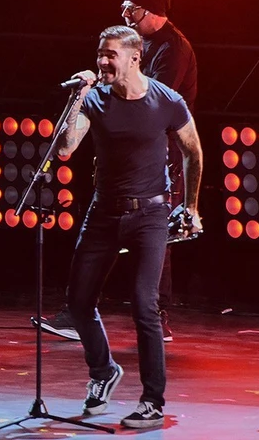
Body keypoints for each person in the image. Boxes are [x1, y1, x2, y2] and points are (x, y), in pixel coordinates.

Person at [58, 25, 202, 428]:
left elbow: (193, 151)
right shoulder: (94, 99)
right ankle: (103, 371)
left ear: (135, 57)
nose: (102, 61)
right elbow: (65, 147)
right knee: (78, 301)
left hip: (150, 215)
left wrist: (191, 206)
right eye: (100, 54)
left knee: (144, 304)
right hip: (103, 213)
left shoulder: (166, 101)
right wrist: (77, 97)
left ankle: (153, 401)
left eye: (111, 55)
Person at [40, 0, 198, 343]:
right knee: (107, 226)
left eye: (132, 9)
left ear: (152, 10)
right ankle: (79, 309)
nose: (125, 16)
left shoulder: (173, 48)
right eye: (123, 9)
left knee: (156, 232)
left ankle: (158, 314)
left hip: (158, 151)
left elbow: (152, 100)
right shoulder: (141, 43)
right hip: (128, 149)